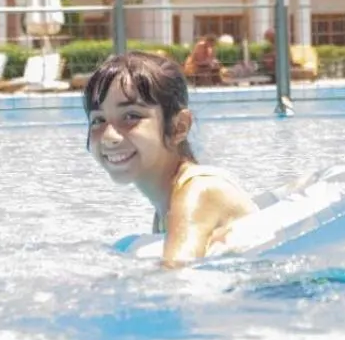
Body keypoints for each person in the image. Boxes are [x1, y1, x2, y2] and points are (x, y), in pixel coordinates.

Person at [83, 51, 258, 267]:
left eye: (131, 116)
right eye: (98, 120)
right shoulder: (165, 208)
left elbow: (176, 279)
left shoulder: (200, 191)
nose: (109, 136)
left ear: (178, 127)